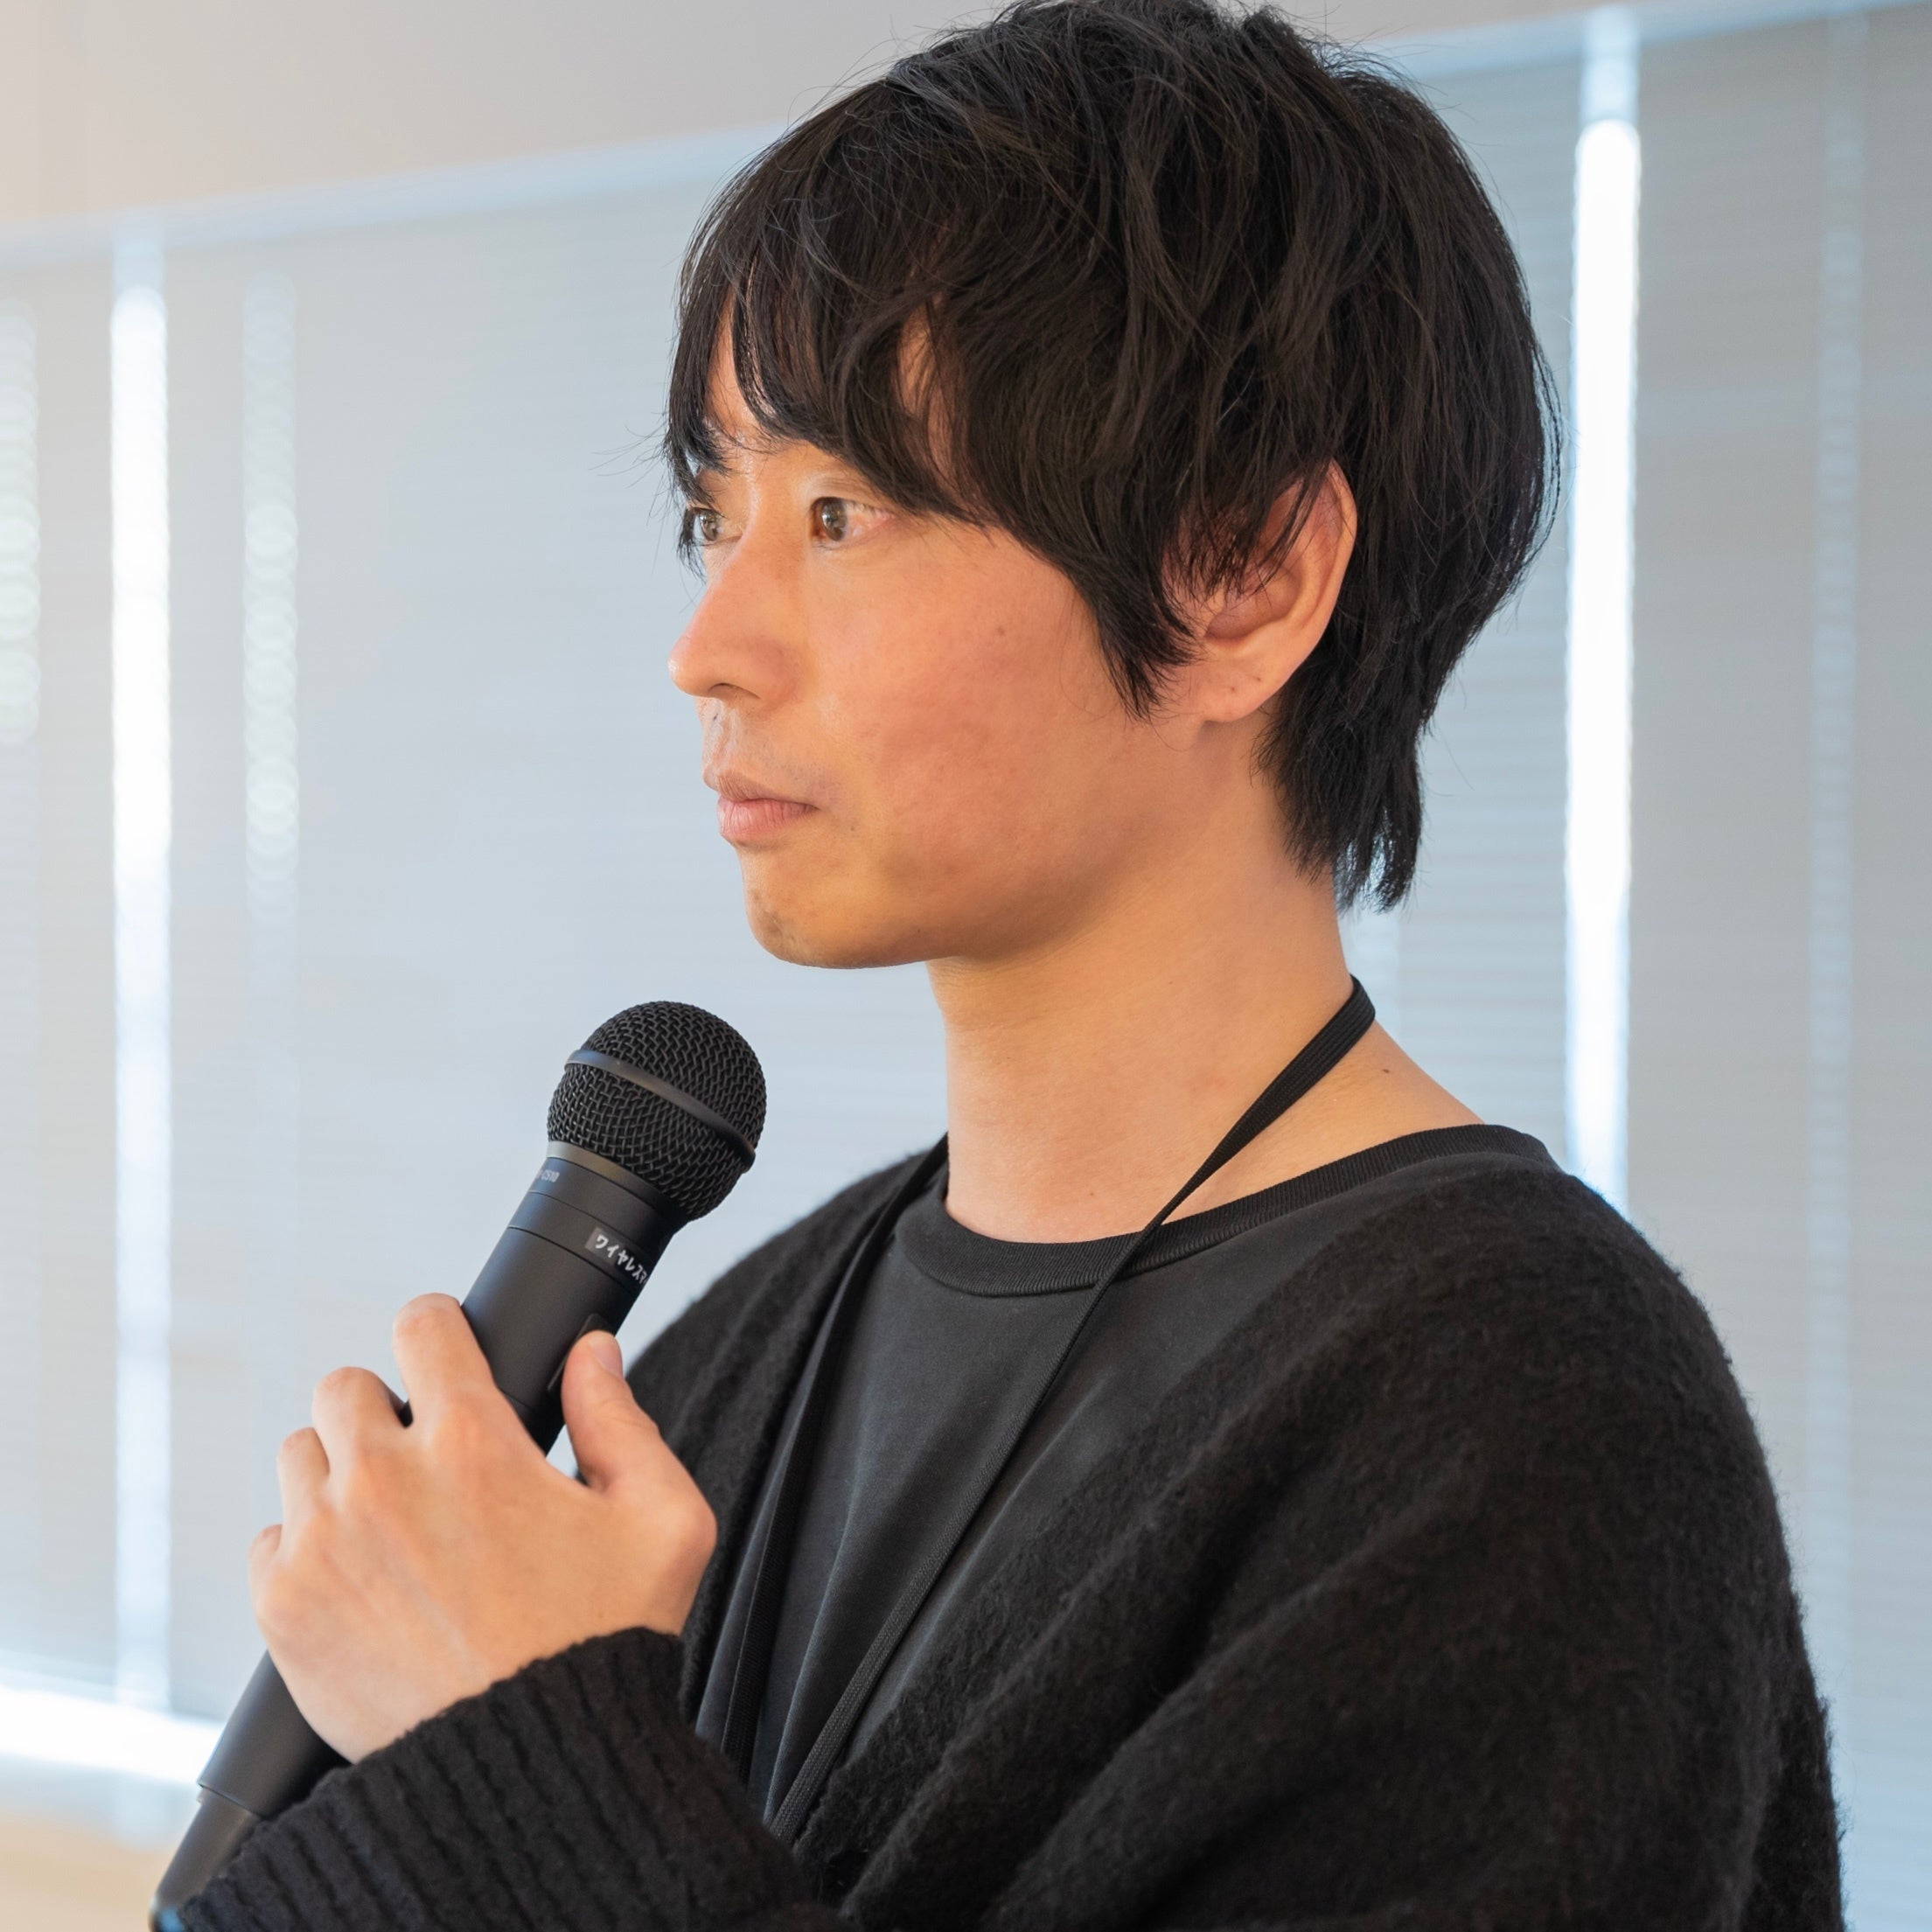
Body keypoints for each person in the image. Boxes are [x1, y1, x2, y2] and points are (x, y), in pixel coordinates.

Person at [187, 3, 1844, 1927]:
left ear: (1242, 573)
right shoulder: (756, 1344)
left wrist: (525, 1761)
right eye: (715, 514)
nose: (708, 644)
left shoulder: (1537, 1429)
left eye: (840, 512)